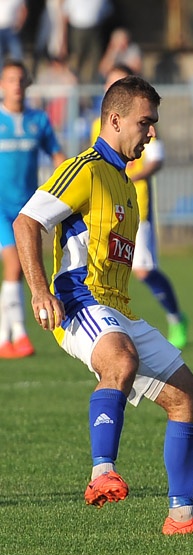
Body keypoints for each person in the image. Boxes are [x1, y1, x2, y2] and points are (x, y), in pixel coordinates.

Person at [13, 75, 193, 535]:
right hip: (77, 299)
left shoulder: (124, 181)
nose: (151, 132)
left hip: (118, 308)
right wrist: (39, 291)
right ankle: (102, 472)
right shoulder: (86, 168)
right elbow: (27, 221)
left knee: (186, 397)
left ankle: (182, 518)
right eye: (145, 122)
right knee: (120, 358)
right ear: (115, 120)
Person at [92, 64, 189, 348]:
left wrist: (132, 174)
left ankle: (175, 317)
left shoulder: (146, 124)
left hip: (137, 206)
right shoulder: (97, 125)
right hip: (104, 207)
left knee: (143, 270)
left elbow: (156, 161)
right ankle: (107, 329)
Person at [0, 60, 66, 359]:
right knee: (14, 265)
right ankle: (20, 335)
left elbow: (57, 156)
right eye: (10, 79)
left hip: (27, 210)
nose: (15, 85)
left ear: (26, 85)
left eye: (20, 79)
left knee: (27, 268)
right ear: (2, 85)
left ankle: (5, 337)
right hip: (1, 208)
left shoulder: (38, 120)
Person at [61, 0, 113, 83]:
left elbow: (108, 11)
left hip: (95, 29)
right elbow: (65, 14)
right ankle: (74, 82)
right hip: (77, 29)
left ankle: (89, 83)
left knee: (93, 58)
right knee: (76, 57)